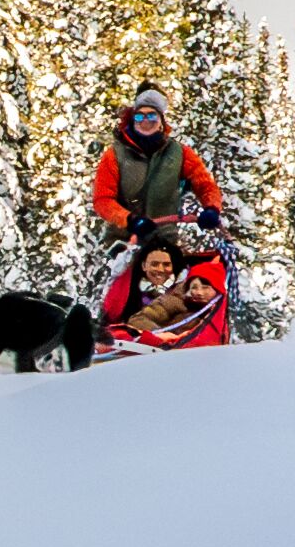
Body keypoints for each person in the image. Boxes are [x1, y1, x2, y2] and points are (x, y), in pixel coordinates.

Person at [92, 82, 227, 248]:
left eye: (152, 116)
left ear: (161, 121)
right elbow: (103, 200)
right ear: (132, 119)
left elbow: (205, 185)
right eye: (140, 116)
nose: (146, 121)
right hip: (122, 242)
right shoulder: (114, 155)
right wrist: (129, 219)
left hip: (164, 241)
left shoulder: (180, 153)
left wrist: (211, 209)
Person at [99, 238, 231, 352]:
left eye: (205, 288)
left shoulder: (215, 312)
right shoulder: (176, 299)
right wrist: (162, 337)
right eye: (194, 287)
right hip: (162, 345)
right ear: (144, 266)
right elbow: (140, 318)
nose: (199, 292)